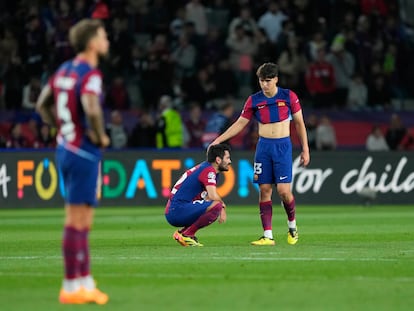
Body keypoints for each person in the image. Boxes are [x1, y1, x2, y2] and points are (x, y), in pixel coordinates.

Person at [35, 19, 109, 305]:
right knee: (78, 221)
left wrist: (62, 129)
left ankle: (84, 281)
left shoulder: (63, 69)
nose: (107, 41)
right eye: (103, 36)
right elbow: (91, 108)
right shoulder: (90, 74)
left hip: (66, 148)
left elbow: (43, 103)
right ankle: (72, 285)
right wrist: (100, 135)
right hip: (84, 152)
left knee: (79, 220)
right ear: (92, 42)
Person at [210, 62, 310, 246]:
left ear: (276, 80)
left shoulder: (289, 96)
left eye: (268, 81)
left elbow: (299, 124)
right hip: (263, 147)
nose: (264, 85)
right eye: (261, 81)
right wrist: (219, 140)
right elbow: (240, 123)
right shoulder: (254, 100)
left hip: (282, 147)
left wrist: (305, 148)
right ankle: (268, 235)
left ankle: (292, 226)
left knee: (284, 192)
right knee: (264, 190)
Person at [165, 144, 231, 246]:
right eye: (227, 158)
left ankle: (182, 233)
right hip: (177, 210)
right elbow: (213, 196)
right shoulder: (209, 170)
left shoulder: (206, 168)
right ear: (218, 160)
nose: (229, 161)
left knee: (211, 205)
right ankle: (187, 235)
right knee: (216, 205)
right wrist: (222, 207)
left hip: (174, 209)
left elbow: (208, 197)